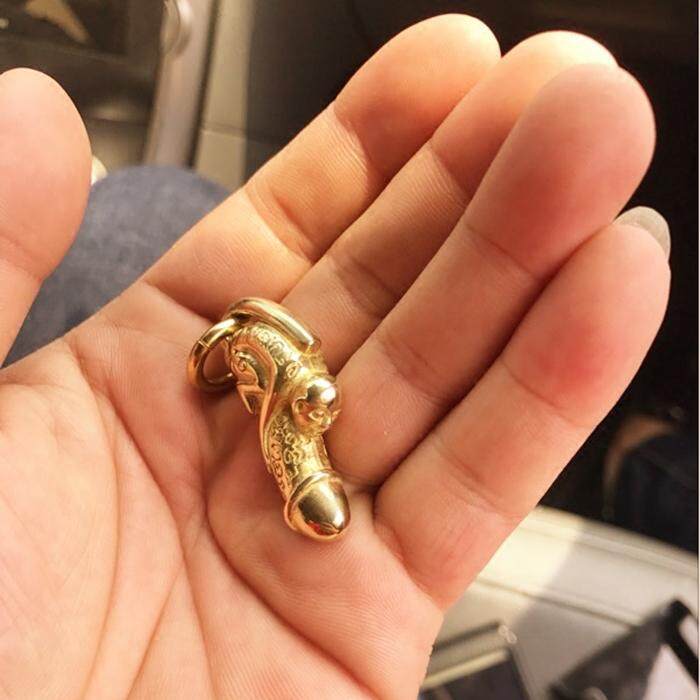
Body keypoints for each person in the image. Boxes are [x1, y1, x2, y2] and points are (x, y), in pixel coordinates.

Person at [0, 15, 672, 698]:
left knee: (153, 203)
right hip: (254, 366)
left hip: (259, 368)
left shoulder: (290, 421)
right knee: (161, 205)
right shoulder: (285, 410)